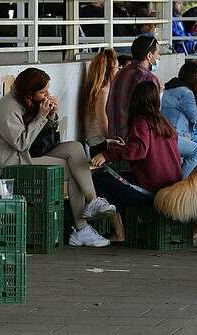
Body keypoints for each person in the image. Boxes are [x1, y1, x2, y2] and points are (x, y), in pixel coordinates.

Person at [0, 67, 116, 248]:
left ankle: (92, 200)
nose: (46, 94)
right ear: (29, 92)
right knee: (72, 170)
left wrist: (51, 114)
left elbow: (42, 134)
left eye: (47, 90)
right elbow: (21, 144)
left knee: (75, 148)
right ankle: (81, 228)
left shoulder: (28, 100)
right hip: (14, 161)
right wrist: (41, 116)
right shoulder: (7, 107)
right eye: (42, 92)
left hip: (33, 153)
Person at [91, 81, 182, 216]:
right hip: (171, 189)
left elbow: (139, 150)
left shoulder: (141, 122)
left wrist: (106, 155)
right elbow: (147, 148)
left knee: (100, 179)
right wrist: (127, 147)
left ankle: (119, 232)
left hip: (152, 191)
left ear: (134, 100)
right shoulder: (164, 122)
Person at [81, 49, 125, 242]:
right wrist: (117, 139)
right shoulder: (102, 92)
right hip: (101, 146)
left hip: (102, 143)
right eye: (117, 66)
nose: (120, 69)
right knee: (112, 191)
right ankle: (119, 232)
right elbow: (103, 125)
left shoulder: (103, 90)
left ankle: (120, 232)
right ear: (108, 70)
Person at [161, 62, 197, 177]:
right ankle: (184, 186)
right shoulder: (185, 93)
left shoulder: (173, 87)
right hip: (174, 137)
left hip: (166, 134)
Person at [106, 35, 163, 139]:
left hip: (114, 139)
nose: (159, 57)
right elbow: (153, 117)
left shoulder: (119, 73)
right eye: (158, 53)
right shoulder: (149, 79)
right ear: (149, 56)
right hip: (135, 142)